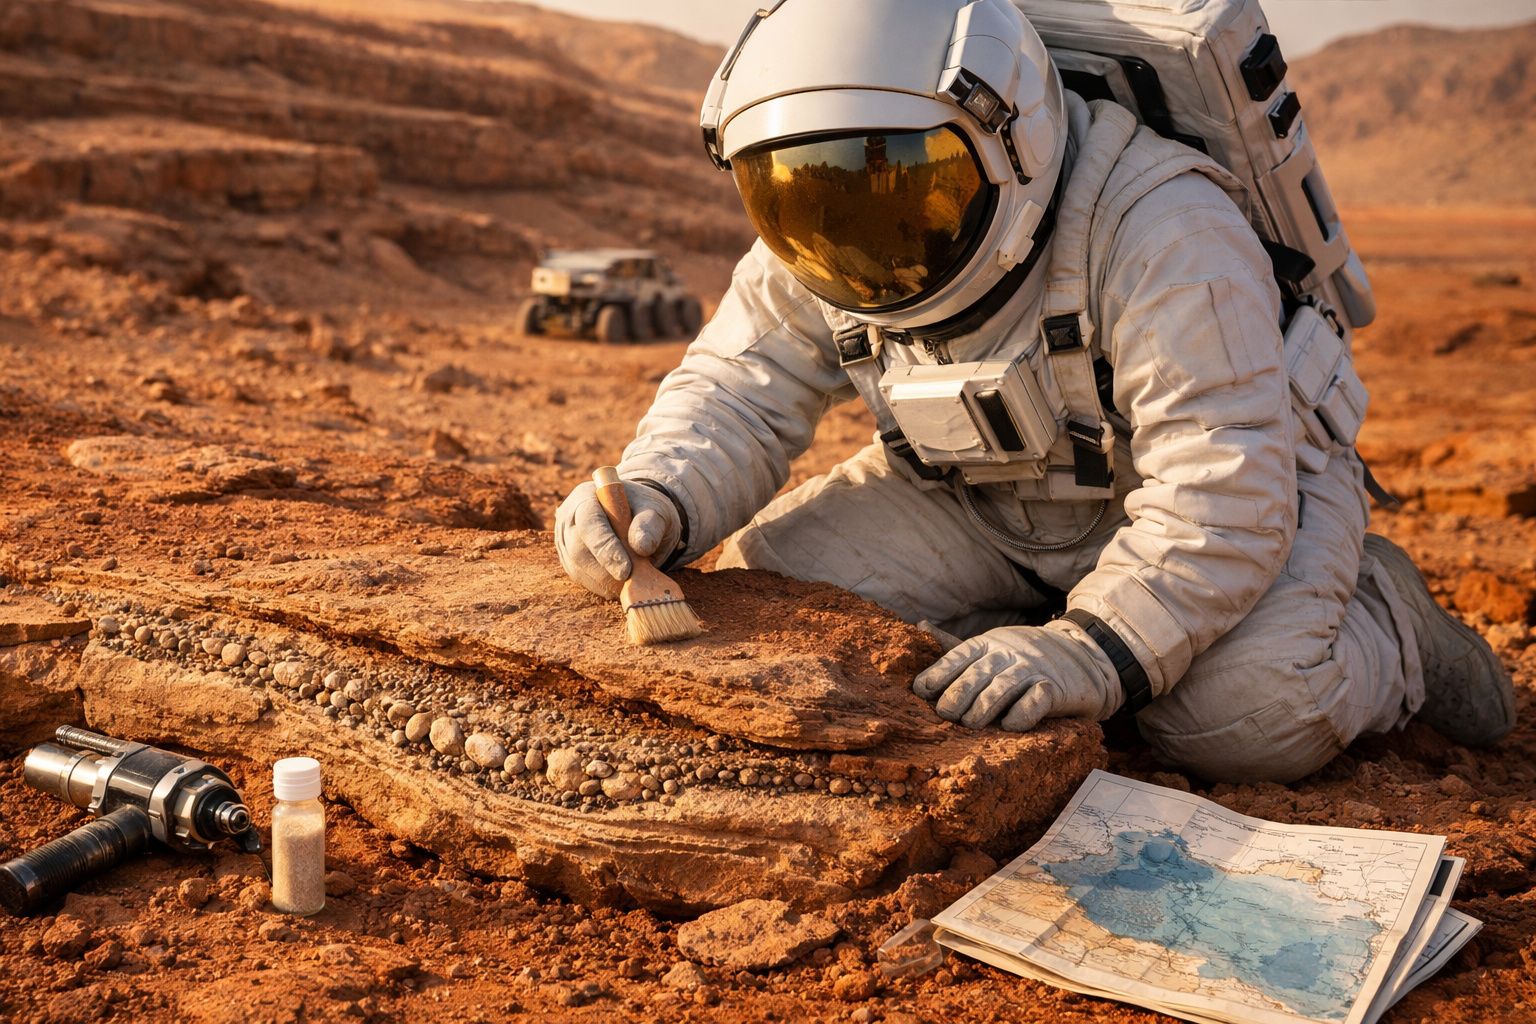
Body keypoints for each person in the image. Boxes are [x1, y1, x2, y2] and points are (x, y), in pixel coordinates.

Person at [553, 0, 1515, 782]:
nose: (869, 236)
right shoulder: (825, 223)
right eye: (806, 194)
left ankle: (1388, 625)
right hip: (973, 495)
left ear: (1010, 143)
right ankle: (1023, 631)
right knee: (772, 603)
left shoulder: (1165, 228)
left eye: (912, 188)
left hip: (1239, 500)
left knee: (1242, 723)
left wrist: (1093, 652)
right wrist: (656, 495)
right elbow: (741, 387)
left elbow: (1220, 489)